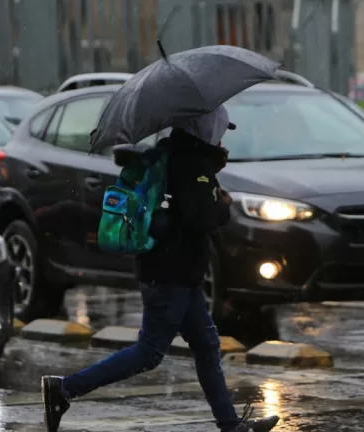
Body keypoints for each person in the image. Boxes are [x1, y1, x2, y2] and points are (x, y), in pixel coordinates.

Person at [40, 106, 280, 432]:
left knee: (207, 346)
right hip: (171, 274)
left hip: (175, 272)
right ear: (203, 127)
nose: (222, 135)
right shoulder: (193, 164)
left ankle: (230, 426)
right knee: (149, 353)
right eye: (219, 128)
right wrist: (222, 206)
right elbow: (201, 218)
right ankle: (64, 388)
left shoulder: (174, 155)